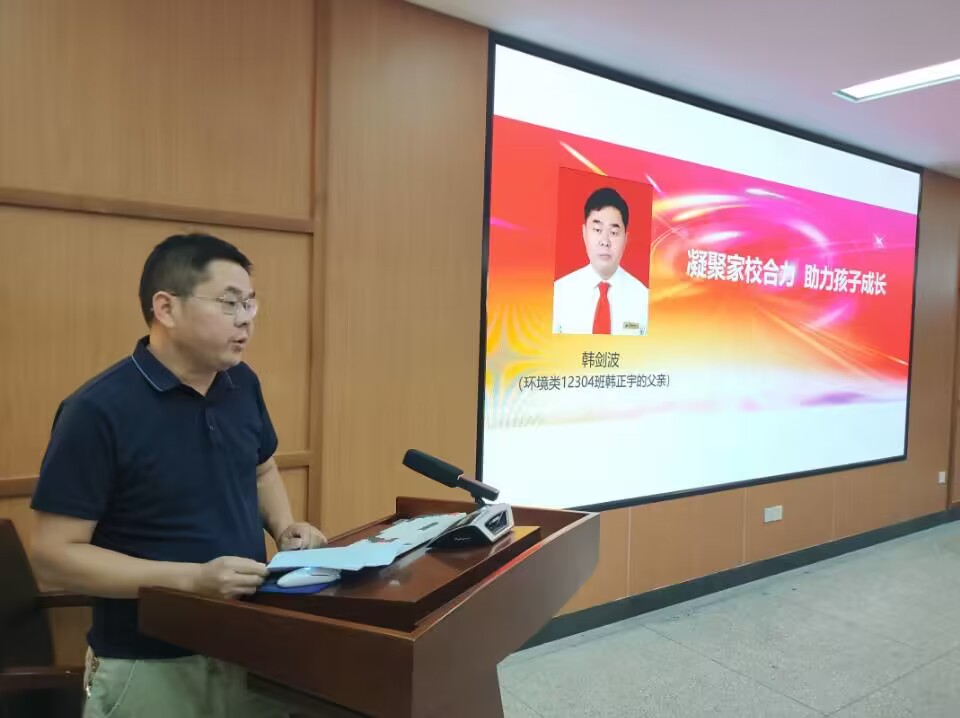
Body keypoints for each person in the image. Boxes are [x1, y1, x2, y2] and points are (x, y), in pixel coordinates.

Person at [29, 233, 325, 718]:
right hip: (148, 663)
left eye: (251, 303)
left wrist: (284, 527)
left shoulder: (241, 382)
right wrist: (193, 580)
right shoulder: (97, 410)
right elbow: (53, 557)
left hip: (250, 645)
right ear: (165, 307)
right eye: (229, 303)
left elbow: (261, 469)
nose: (246, 318)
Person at [552, 187, 649, 336]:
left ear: (625, 239)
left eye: (614, 233)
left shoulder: (644, 299)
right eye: (597, 230)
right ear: (584, 233)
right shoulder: (559, 293)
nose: (605, 241)